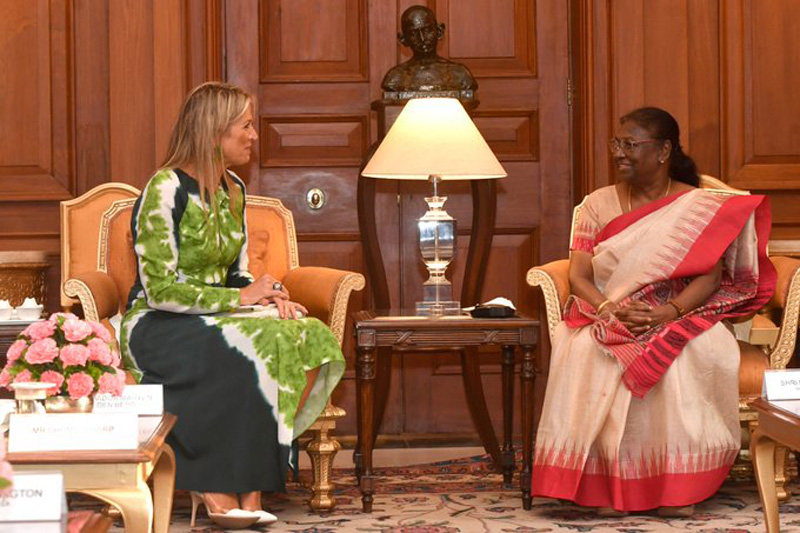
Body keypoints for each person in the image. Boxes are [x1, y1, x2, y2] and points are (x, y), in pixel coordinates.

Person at [120, 82, 345, 529]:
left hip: (220, 315)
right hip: (159, 322)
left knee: (305, 334)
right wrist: (241, 299)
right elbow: (159, 288)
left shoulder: (234, 188)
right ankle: (214, 483)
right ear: (214, 131)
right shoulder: (165, 188)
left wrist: (271, 293)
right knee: (242, 348)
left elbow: (238, 275)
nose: (253, 135)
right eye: (245, 125)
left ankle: (250, 486)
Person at [531, 107, 775, 515]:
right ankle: (606, 488)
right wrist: (608, 309)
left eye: (630, 144)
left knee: (688, 351)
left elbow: (709, 277)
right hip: (608, 311)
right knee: (589, 351)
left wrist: (668, 313)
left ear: (663, 151)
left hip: (679, 309)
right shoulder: (597, 204)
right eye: (617, 143)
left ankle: (676, 488)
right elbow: (579, 275)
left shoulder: (697, 205)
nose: (619, 153)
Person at [381, 5, 477, 96]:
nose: (422, 39)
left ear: (439, 31)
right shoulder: (395, 77)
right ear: (403, 39)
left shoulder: (460, 74)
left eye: (427, 30)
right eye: (413, 33)